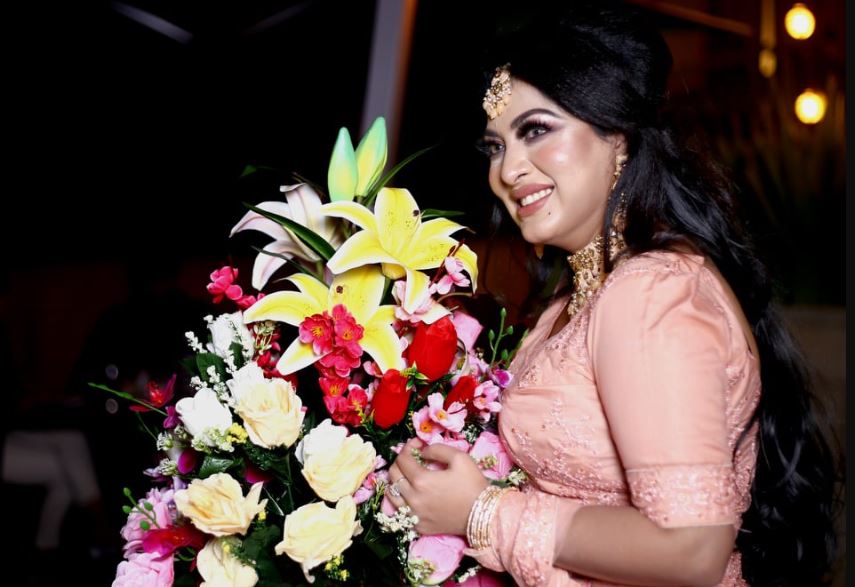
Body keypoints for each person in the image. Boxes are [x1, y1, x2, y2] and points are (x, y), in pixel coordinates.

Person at [386, 2, 840, 586]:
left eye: (536, 131)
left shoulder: (650, 292)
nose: (507, 169)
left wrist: (483, 512)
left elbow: (692, 549)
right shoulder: (575, 299)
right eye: (495, 146)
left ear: (618, 135)